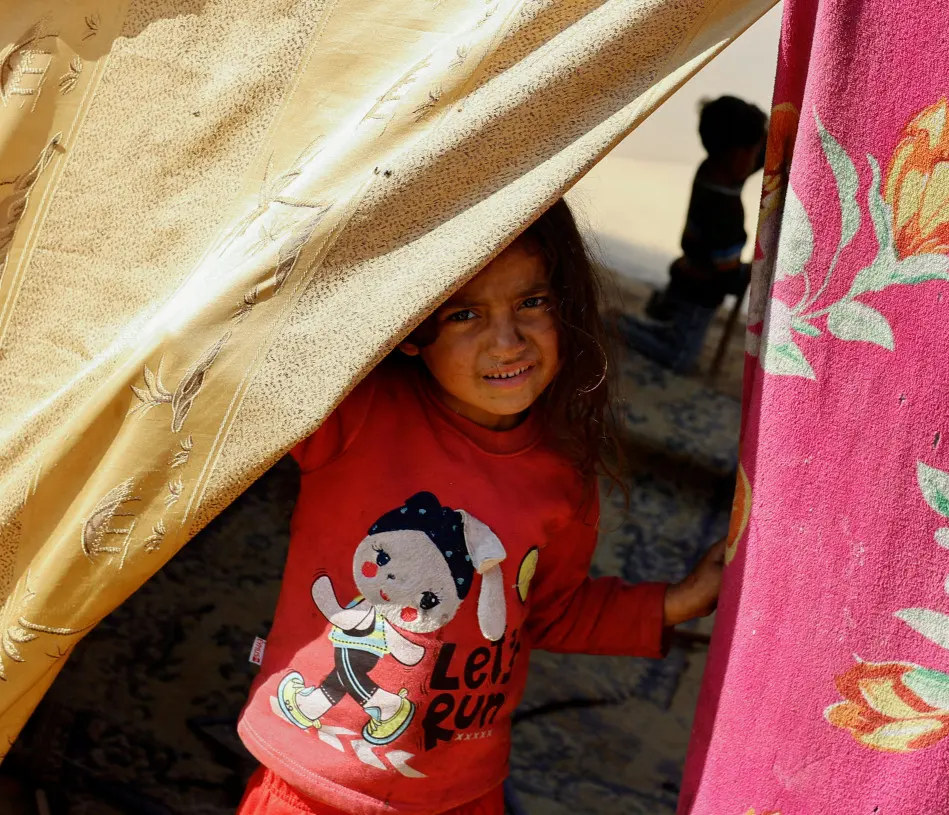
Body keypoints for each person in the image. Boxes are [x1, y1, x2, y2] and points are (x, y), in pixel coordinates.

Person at [234, 199, 726, 815]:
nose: (507, 342)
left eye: (533, 303)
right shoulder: (353, 416)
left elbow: (551, 612)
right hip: (307, 784)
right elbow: (252, 342)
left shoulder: (562, 476)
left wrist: (679, 601)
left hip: (461, 795)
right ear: (411, 328)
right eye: (464, 313)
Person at [621, 95, 767, 374]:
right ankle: (619, 327)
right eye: (754, 149)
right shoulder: (723, 214)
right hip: (700, 291)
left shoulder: (712, 170)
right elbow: (726, 274)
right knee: (680, 357)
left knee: (672, 328)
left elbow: (755, 159)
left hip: (686, 274)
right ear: (737, 155)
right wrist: (751, 272)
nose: (757, 157)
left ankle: (658, 312)